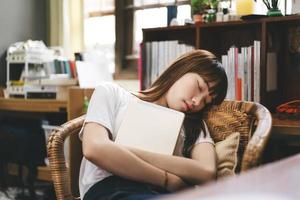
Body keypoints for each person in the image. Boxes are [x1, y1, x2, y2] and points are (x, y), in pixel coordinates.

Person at [79, 49, 228, 200]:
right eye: (200, 87)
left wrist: (119, 151)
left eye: (205, 102)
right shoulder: (112, 94)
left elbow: (206, 171)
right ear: (183, 68)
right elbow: (94, 148)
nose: (197, 102)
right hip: (111, 187)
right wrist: (167, 179)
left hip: (161, 193)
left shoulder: (193, 125)